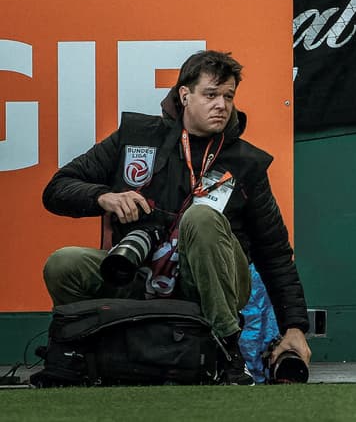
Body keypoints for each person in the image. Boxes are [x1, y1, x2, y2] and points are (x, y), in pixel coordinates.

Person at [41, 50, 311, 385]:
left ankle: (228, 352)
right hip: (139, 275)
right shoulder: (136, 137)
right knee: (64, 264)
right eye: (210, 95)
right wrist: (104, 197)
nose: (222, 105)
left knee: (201, 218)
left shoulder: (246, 163)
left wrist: (294, 327)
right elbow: (57, 189)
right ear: (185, 95)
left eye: (228, 96)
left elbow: (275, 254)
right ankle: (85, 351)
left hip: (208, 285)